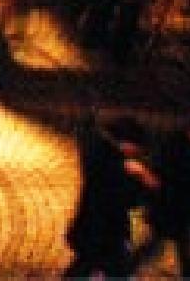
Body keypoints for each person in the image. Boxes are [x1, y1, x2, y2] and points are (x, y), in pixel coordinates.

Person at [64, 114, 152, 278]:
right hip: (106, 234)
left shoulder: (100, 154)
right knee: (113, 271)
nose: (136, 152)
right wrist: (143, 178)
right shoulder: (113, 164)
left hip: (93, 230)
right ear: (126, 142)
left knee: (84, 268)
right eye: (136, 147)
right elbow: (127, 199)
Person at [139, 114, 190, 278]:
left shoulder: (180, 146)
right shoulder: (188, 153)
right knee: (159, 244)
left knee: (179, 245)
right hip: (175, 210)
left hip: (173, 209)